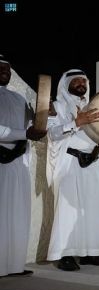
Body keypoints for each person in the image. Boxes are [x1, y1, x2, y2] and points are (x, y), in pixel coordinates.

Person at [46, 69, 99, 271]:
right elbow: (53, 134)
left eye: (84, 80)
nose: (81, 83)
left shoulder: (94, 107)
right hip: (70, 162)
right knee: (68, 211)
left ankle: (92, 252)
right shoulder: (56, 106)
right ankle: (65, 255)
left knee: (93, 209)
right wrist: (76, 122)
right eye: (76, 80)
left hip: (93, 163)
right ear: (66, 84)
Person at [0, 54, 47, 277]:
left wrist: (47, 114)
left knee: (16, 214)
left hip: (18, 162)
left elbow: (33, 123)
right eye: (1, 68)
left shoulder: (18, 98)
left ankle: (13, 265)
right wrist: (24, 134)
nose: (5, 72)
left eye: (8, 69)